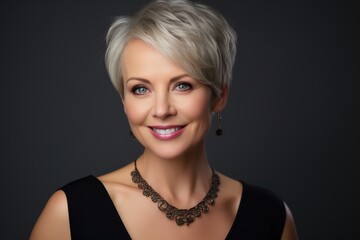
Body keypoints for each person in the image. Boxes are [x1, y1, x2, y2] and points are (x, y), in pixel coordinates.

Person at [30, 0, 298, 239]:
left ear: (219, 96)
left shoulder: (270, 217)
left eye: (182, 85)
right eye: (141, 89)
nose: (161, 109)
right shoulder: (70, 213)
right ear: (124, 101)